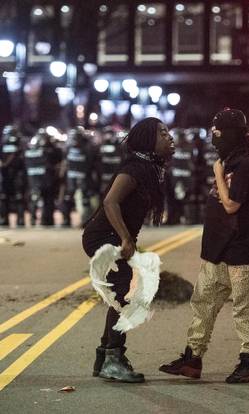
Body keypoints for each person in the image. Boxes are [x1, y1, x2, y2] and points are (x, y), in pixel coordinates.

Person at [160, 108, 249, 384]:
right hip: (219, 249)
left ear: (230, 134)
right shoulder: (230, 161)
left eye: (217, 134)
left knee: (245, 306)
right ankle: (192, 358)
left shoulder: (246, 164)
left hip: (242, 249)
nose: (213, 139)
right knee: (203, 301)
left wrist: (218, 172)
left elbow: (231, 205)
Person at [82, 117, 174, 383]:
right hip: (104, 236)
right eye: (163, 133)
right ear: (148, 141)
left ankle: (105, 357)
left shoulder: (150, 167)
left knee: (121, 292)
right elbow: (110, 202)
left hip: (111, 235)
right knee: (122, 293)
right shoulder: (135, 169)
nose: (170, 138)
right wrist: (125, 238)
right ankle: (113, 357)